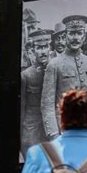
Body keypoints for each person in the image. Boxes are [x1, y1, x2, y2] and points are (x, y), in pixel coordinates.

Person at [41, 15, 87, 140]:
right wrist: (54, 135)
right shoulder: (54, 64)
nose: (76, 38)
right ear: (65, 35)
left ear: (84, 36)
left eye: (79, 33)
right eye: (72, 33)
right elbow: (47, 105)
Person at [20, 29, 53, 158]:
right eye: (39, 47)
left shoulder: (56, 70)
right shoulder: (26, 76)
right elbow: (21, 107)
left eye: (45, 47)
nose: (43, 51)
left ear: (50, 49)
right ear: (33, 51)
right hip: (32, 131)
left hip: (51, 130)